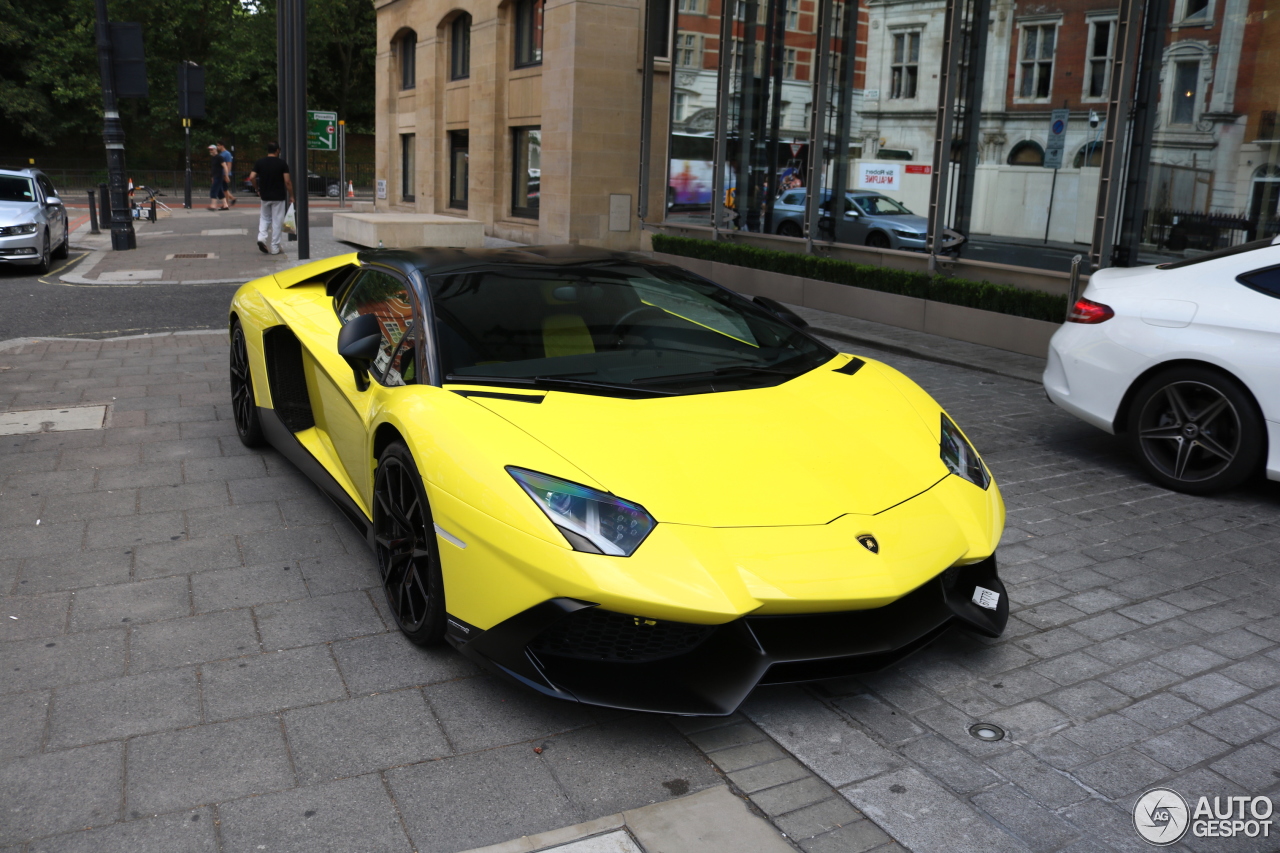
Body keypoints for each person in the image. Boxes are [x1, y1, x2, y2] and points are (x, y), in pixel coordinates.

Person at [248, 142, 294, 255]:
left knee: (264, 218)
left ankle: (262, 238)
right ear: (277, 150)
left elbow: (251, 177)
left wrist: (257, 189)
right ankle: (274, 247)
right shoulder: (282, 164)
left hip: (265, 196)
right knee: (277, 221)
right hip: (278, 197)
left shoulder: (260, 162)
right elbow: (287, 181)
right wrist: (292, 195)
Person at [207, 144, 229, 211]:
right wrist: (212, 176)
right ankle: (225, 205)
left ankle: (213, 205)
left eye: (212, 149)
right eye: (210, 150)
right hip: (215, 176)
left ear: (215, 149)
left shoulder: (219, 157)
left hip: (219, 176)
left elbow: (225, 166)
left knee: (213, 190)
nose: (210, 151)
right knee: (219, 191)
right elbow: (214, 169)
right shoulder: (213, 158)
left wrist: (226, 175)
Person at [216, 141, 237, 207]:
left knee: (224, 189)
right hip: (220, 173)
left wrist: (226, 174)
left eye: (218, 145)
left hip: (224, 173)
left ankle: (226, 203)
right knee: (223, 188)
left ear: (222, 145)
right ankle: (232, 198)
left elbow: (229, 164)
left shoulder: (227, 154)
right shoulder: (221, 153)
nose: (217, 147)